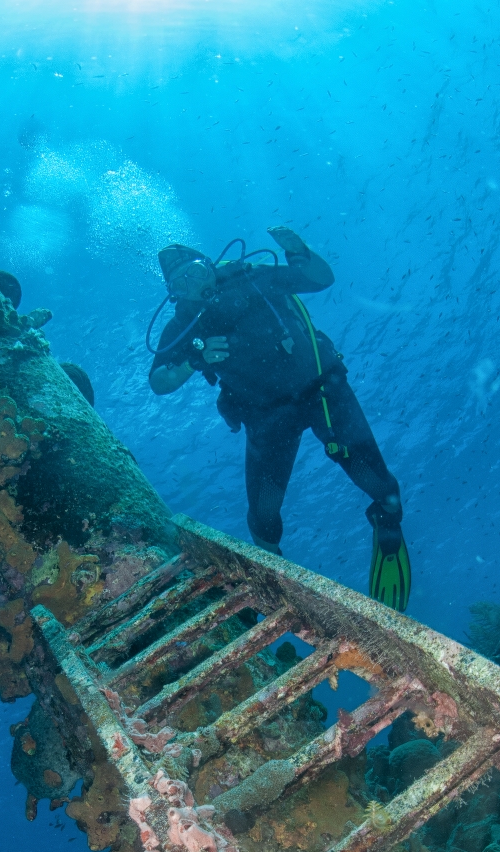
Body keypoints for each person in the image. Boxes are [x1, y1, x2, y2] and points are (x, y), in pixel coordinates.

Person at [148, 229, 410, 610]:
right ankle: (272, 576)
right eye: (181, 283)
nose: (194, 284)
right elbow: (159, 382)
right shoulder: (185, 326)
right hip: (267, 417)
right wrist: (193, 359)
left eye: (196, 271)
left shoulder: (252, 277)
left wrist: (300, 251)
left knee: (377, 480)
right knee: (263, 514)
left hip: (321, 390)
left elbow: (321, 279)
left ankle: (388, 518)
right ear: (173, 293)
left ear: (210, 264)